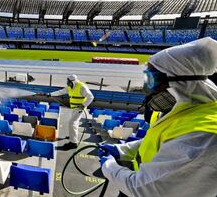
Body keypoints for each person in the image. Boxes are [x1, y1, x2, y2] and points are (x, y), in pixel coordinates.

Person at [99, 37, 217, 196]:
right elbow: (161, 141)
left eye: (151, 80)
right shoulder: (177, 109)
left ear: (180, 82)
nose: (147, 88)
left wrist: (109, 166)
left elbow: (143, 189)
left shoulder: (203, 138)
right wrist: (123, 150)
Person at [49, 75, 94, 149]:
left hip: (79, 109)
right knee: (73, 123)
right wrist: (50, 94)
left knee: (72, 123)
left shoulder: (82, 87)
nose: (67, 83)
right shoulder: (69, 87)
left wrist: (83, 105)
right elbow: (61, 92)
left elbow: (91, 97)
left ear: (73, 81)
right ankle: (72, 136)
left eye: (69, 82)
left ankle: (73, 143)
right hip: (73, 108)